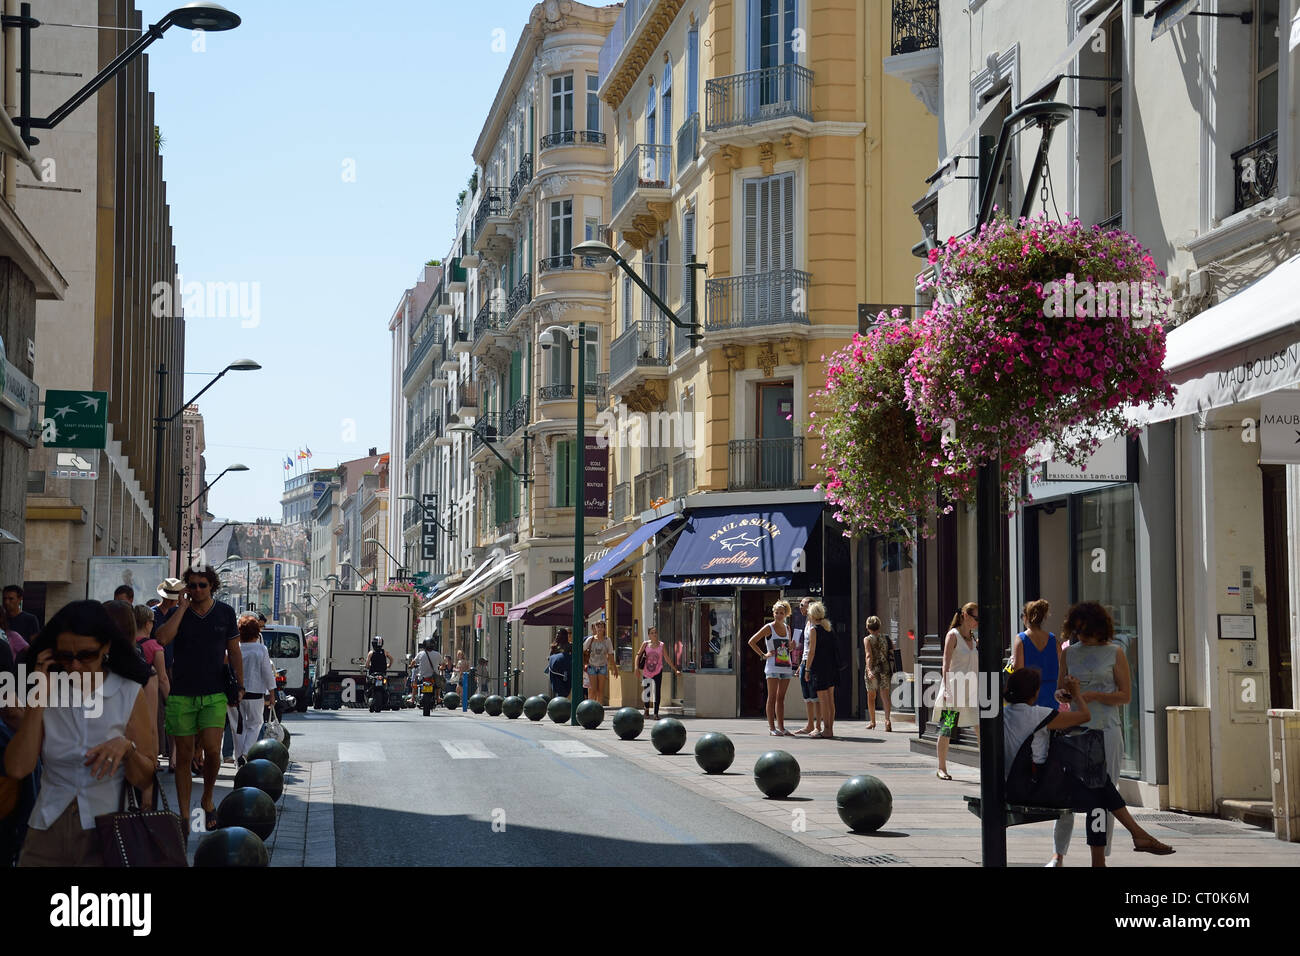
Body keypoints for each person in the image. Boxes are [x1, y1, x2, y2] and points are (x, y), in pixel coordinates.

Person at [4, 601, 156, 866]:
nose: (74, 666)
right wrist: (38, 699)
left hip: (106, 831)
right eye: (65, 656)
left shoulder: (128, 693)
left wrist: (127, 749)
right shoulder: (48, 692)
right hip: (46, 826)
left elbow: (145, 779)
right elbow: (18, 768)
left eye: (86, 655)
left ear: (106, 647)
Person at [1003, 667, 1172, 866]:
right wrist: (1076, 694)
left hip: (1013, 788)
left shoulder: (1003, 715)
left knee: (1098, 786)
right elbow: (1084, 716)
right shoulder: (1038, 715)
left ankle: (1135, 836)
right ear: (1035, 693)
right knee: (1098, 788)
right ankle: (1120, 846)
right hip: (1037, 790)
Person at [152, 565, 242, 830]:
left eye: (203, 584)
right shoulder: (178, 614)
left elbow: (234, 651)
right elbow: (162, 638)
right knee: (183, 756)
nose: (197, 589)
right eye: (192, 585)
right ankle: (182, 815)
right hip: (182, 694)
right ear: (186, 588)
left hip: (214, 692)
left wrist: (240, 684)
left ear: (212, 586)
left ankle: (207, 798)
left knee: (214, 750)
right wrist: (181, 608)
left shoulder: (225, 612)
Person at [1049, 601, 1134, 866]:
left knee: (1105, 794)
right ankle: (1058, 853)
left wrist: (1095, 695)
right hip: (1077, 730)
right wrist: (1064, 694)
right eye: (1076, 631)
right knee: (1066, 793)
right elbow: (1060, 688)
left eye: (1085, 631)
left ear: (1099, 628)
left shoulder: (1115, 652)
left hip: (1106, 729)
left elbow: (1125, 696)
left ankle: (1099, 857)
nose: (1080, 636)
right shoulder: (1069, 653)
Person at [935, 602, 980, 780]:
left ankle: (987, 769)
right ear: (965, 616)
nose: (978, 621)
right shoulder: (952, 635)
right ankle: (941, 768)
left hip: (972, 689)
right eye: (976, 618)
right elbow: (945, 663)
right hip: (955, 687)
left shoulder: (974, 638)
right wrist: (946, 688)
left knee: (980, 728)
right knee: (947, 728)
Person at [229, 614, 275, 764]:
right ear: (257, 633)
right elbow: (267, 672)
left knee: (237, 727)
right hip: (256, 693)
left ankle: (238, 759)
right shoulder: (261, 649)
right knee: (255, 724)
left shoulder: (234, 649)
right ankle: (246, 753)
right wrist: (272, 693)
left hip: (235, 692)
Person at [747, 600, 795, 736]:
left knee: (781, 698)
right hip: (773, 666)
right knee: (772, 696)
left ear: (786, 614)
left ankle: (782, 727)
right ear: (773, 613)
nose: (779, 615)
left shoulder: (787, 628)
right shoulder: (769, 627)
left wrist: (791, 647)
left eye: (782, 613)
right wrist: (763, 655)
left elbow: (787, 649)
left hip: (786, 665)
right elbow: (752, 641)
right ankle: (772, 728)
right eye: (776, 613)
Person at [1012, 599, 1061, 707]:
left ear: (1026, 617)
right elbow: (1062, 668)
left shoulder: (1021, 639)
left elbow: (1018, 672)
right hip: (1051, 694)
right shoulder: (1054, 640)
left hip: (1029, 694)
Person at [801, 601, 837, 739]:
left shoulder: (814, 629)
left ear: (812, 614)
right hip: (831, 667)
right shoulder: (828, 628)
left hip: (820, 668)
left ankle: (827, 730)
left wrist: (807, 669)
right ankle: (830, 728)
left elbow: (812, 651)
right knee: (830, 699)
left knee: (823, 700)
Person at [790, 597, 820, 735]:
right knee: (807, 696)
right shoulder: (807, 623)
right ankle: (809, 724)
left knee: (815, 696)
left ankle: (818, 726)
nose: (800, 607)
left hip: (812, 664)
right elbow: (807, 648)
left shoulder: (814, 625)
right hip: (804, 662)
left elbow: (813, 649)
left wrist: (807, 668)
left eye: (802, 605)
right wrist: (801, 665)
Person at [638, 626, 678, 718]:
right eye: (652, 633)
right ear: (649, 635)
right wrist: (636, 668)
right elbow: (638, 655)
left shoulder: (661, 645)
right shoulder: (645, 644)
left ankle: (656, 713)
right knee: (647, 692)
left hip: (658, 671)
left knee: (657, 692)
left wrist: (675, 669)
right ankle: (646, 710)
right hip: (646, 672)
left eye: (655, 632)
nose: (654, 634)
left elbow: (667, 658)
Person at [863, 616, 894, 732]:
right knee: (885, 696)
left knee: (871, 696)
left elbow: (868, 655)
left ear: (867, 627)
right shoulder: (886, 638)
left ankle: (872, 721)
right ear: (879, 626)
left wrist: (869, 670)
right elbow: (892, 652)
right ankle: (887, 720)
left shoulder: (867, 639)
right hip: (885, 669)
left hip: (874, 670)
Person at [582, 621, 617, 705]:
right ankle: (590, 707)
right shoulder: (591, 639)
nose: (600, 629)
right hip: (592, 666)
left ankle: (599, 707)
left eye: (602, 627)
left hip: (602, 666)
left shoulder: (607, 640)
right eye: (598, 627)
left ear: (604, 628)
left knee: (600, 690)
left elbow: (610, 654)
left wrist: (615, 668)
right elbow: (582, 650)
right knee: (593, 690)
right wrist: (582, 665)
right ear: (595, 628)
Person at [414, 639, 444, 715]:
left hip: (422, 678)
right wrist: (441, 667)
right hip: (433, 678)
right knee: (438, 685)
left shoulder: (420, 654)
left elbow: (413, 662)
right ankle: (438, 697)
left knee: (414, 681)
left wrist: (411, 666)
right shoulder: (437, 654)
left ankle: (412, 698)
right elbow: (443, 664)